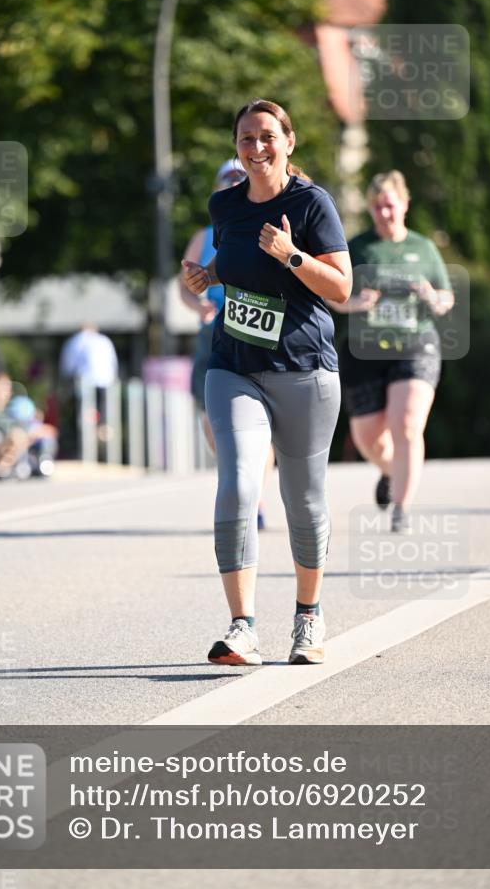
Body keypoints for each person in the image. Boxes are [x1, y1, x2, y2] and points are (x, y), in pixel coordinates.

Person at [182, 99, 351, 666]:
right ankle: (242, 626)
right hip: (232, 366)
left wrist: (293, 255)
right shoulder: (223, 206)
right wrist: (207, 276)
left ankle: (308, 617)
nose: (256, 148)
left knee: (303, 500)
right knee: (236, 482)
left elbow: (342, 289)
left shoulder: (311, 204)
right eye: (246, 138)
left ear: (289, 142)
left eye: (266, 137)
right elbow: (232, 269)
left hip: (304, 369)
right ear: (236, 146)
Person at [327, 170, 454, 533]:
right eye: (378, 207)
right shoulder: (358, 247)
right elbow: (333, 295)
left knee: (407, 425)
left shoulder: (423, 247)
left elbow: (446, 297)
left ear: (405, 204)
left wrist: (434, 297)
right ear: (370, 209)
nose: (384, 213)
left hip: (415, 344)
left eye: (390, 206)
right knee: (368, 437)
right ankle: (389, 471)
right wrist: (355, 304)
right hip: (365, 350)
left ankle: (401, 507)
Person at [179, 158, 274, 530]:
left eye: (240, 178)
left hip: (256, 332)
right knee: (211, 422)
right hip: (214, 333)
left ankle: (256, 501)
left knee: (261, 426)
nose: (234, 183)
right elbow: (184, 283)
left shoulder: (265, 225)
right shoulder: (204, 236)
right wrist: (195, 301)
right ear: (217, 188)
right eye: (227, 179)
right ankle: (241, 480)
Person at [59, 324, 118, 454]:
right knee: (102, 418)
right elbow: (113, 364)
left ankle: (88, 446)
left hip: (86, 383)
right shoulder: (105, 340)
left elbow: (68, 366)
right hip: (105, 383)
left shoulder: (77, 340)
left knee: (85, 416)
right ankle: (101, 443)